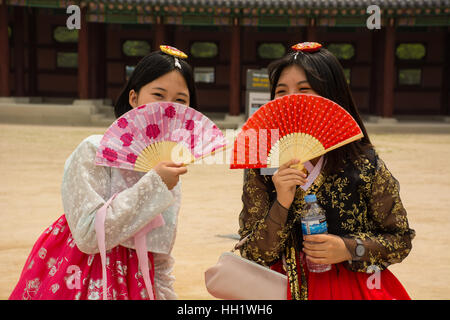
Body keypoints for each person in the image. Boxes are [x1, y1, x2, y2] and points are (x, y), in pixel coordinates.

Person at [9, 46, 196, 300]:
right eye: (158, 95)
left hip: (138, 284)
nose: (168, 108)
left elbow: (160, 256)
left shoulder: (170, 169)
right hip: (80, 274)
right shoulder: (95, 149)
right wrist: (155, 184)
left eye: (180, 101)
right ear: (134, 97)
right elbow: (87, 236)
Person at [238, 42, 416, 300]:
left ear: (332, 95)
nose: (290, 99)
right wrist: (282, 202)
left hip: (352, 288)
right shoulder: (263, 162)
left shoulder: (363, 162)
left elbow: (400, 239)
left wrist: (349, 249)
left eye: (304, 89)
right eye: (281, 91)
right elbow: (254, 253)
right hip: (280, 288)